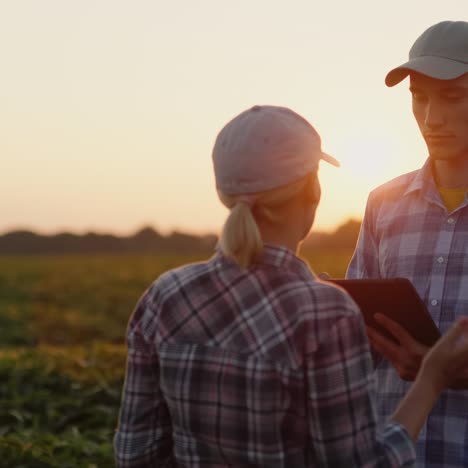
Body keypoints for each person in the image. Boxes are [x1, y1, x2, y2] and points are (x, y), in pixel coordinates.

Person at [114, 104, 468, 467]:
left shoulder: (164, 295)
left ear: (224, 195)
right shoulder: (325, 312)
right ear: (313, 190)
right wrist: (431, 379)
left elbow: (135, 455)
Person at [347, 20, 468, 467]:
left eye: (453, 97)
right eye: (419, 97)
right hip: (399, 454)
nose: (431, 118)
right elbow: (357, 345)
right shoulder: (383, 203)